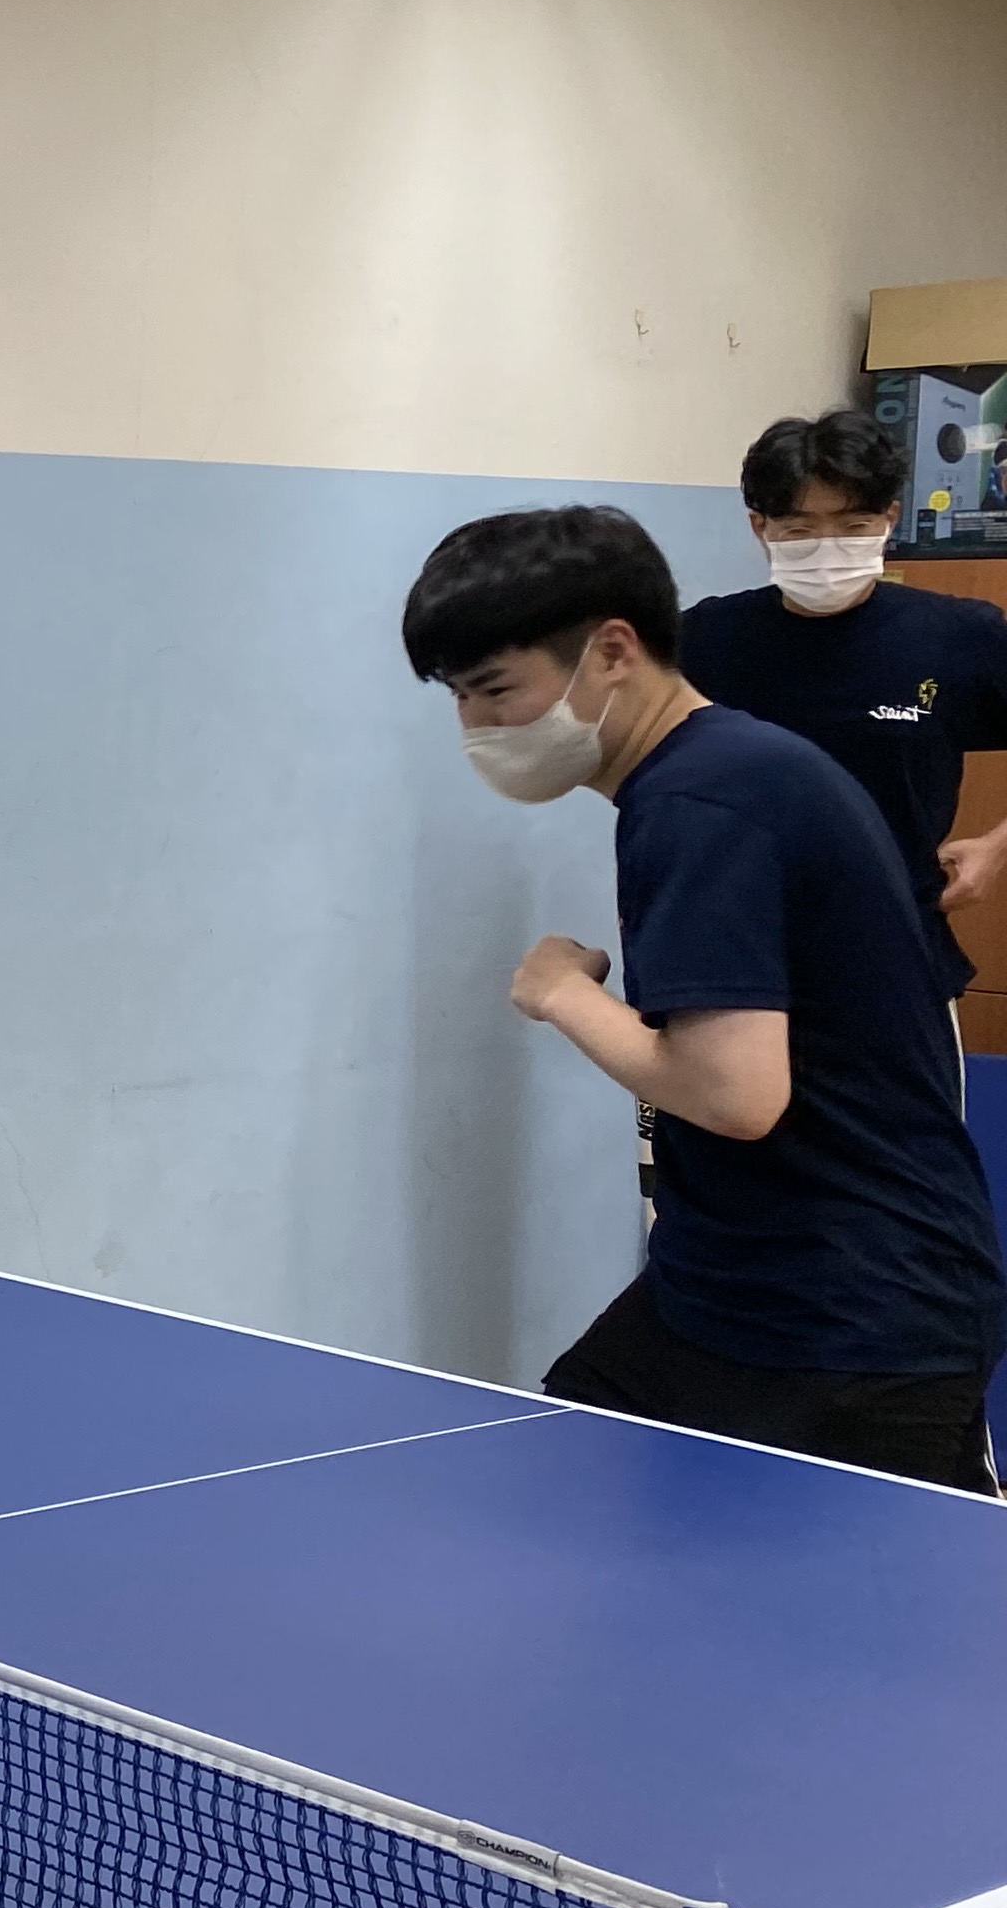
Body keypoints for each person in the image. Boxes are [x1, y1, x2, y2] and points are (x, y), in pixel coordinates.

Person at [402, 503, 1003, 1493]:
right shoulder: (719, 770)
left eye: (495, 690)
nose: (478, 727)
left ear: (613, 652)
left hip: (852, 1319)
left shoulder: (703, 800)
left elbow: (735, 1094)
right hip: (727, 1283)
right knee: (557, 1484)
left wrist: (562, 994)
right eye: (459, 698)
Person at [679, 402, 1007, 1008]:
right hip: (734, 947)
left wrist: (998, 846)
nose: (827, 548)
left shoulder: (959, 636)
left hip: (895, 948)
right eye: (799, 531)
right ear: (760, 528)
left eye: (853, 526)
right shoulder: (707, 638)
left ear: (889, 519)